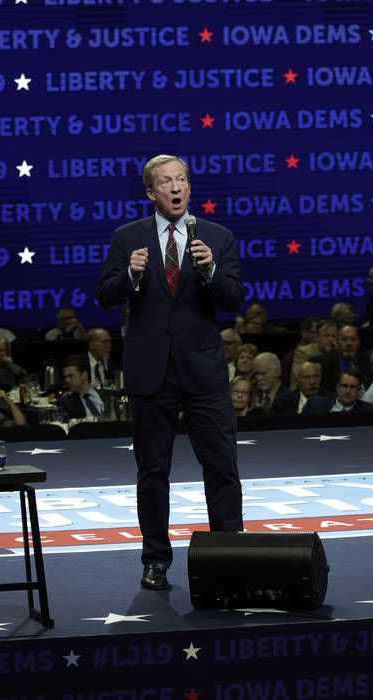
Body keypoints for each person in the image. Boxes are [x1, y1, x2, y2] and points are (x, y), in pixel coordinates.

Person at [95, 154, 244, 591]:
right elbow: (104, 294)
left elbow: (234, 299)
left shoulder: (217, 237)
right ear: (150, 192)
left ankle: (228, 556)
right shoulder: (128, 238)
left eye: (181, 180)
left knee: (221, 466)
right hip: (150, 372)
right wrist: (130, 275)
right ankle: (155, 560)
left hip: (203, 370)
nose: (175, 187)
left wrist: (211, 270)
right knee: (153, 471)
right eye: (166, 182)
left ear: (189, 188)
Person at [317, 324, 373, 392]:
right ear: (337, 342)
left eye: (353, 339)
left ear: (359, 342)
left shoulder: (368, 359)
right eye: (344, 339)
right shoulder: (323, 362)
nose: (349, 343)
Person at [303, 369, 373, 413]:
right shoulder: (314, 404)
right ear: (337, 388)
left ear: (359, 390)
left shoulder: (369, 410)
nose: (348, 391)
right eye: (344, 386)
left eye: (353, 387)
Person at [280, 317, 319, 388]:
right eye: (315, 333)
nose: (318, 337)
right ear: (303, 333)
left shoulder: (323, 355)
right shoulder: (289, 358)